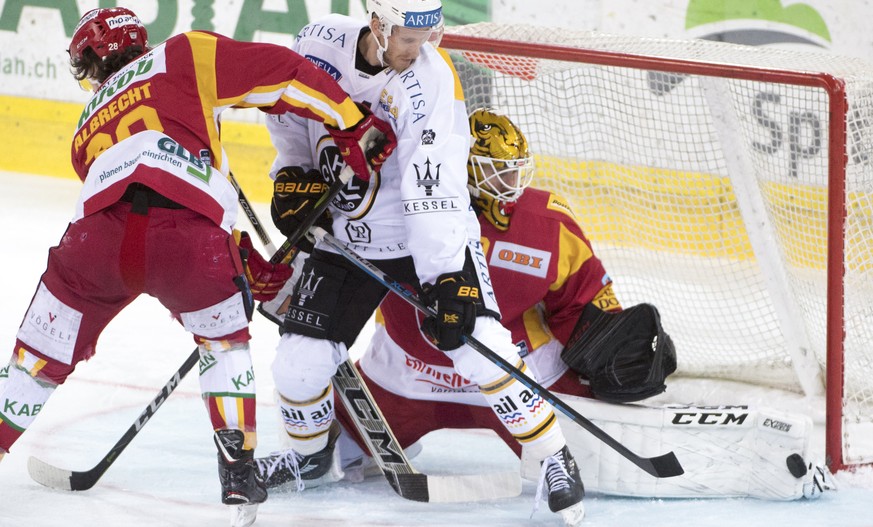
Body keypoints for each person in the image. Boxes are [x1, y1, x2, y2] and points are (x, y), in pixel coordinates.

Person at [0, 5, 395, 521]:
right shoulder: (181, 52)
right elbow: (283, 72)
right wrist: (351, 122)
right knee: (223, 342)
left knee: (35, 359)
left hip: (92, 245)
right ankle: (238, 474)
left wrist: (237, 256)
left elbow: (131, 195)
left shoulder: (84, 127)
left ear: (92, 61)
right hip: (190, 243)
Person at [330, 108, 837, 502]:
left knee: (599, 462)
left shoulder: (547, 224)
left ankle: (749, 463)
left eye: (515, 172)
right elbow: (348, 278)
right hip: (406, 376)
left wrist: (609, 333)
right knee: (334, 451)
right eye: (498, 174)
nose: (513, 185)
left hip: (523, 383)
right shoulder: (399, 211)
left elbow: (579, 300)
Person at [258, 2, 585, 525]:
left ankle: (554, 458)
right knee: (297, 364)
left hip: (426, 235)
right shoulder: (316, 43)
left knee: (479, 348)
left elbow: (433, 186)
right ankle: (309, 456)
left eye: (426, 36)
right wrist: (291, 177)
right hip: (346, 235)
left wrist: (447, 275)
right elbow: (290, 112)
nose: (417, 51)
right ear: (377, 24)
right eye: (406, 38)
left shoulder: (430, 81)